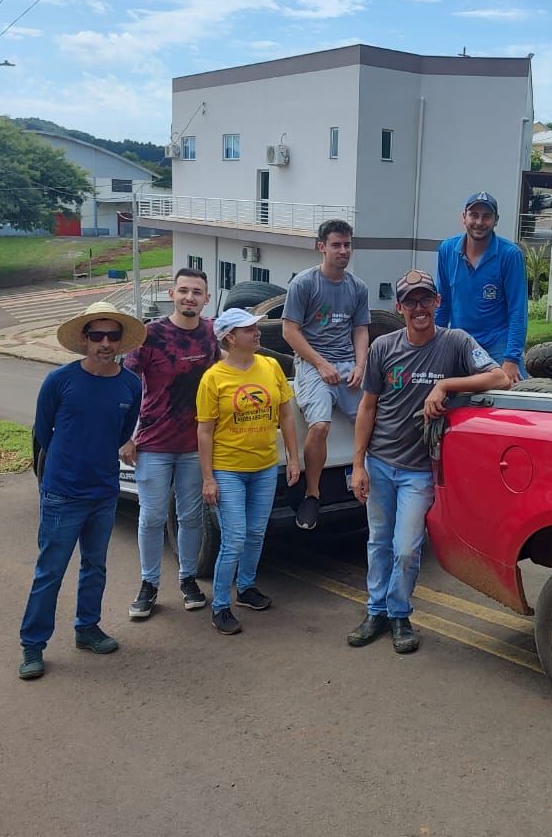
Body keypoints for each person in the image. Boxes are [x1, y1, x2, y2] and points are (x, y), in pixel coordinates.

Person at [347, 270, 509, 654]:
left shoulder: (455, 342)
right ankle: (376, 612)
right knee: (378, 543)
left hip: (419, 469)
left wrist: (445, 385)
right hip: (381, 462)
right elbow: (367, 407)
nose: (419, 308)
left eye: (426, 300)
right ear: (399, 307)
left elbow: (500, 377)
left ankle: (400, 614)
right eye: (411, 301)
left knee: (406, 547)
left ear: (438, 303)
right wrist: (358, 465)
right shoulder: (383, 348)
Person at [18, 301, 145, 680]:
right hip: (63, 492)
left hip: (104, 491)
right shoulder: (60, 381)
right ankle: (32, 645)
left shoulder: (130, 384)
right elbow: (43, 432)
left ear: (121, 341)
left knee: (96, 566)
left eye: (112, 335)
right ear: (85, 340)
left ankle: (87, 628)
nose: (105, 343)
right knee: (50, 571)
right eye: (97, 336)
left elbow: (123, 432)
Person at [121, 268, 219, 620]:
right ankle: (148, 585)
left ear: (206, 298)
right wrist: (126, 437)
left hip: (196, 445)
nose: (189, 297)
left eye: (197, 292)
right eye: (183, 291)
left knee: (192, 517)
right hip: (153, 443)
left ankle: (188, 578)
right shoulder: (150, 335)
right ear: (171, 293)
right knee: (152, 516)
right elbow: (126, 387)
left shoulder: (212, 333)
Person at [197, 308, 301, 636]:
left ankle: (246, 588)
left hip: (265, 466)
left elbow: (286, 416)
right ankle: (220, 607)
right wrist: (208, 478)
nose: (258, 334)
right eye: (249, 330)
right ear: (230, 337)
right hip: (228, 469)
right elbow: (204, 431)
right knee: (234, 538)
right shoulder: (213, 378)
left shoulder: (269, 366)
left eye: (256, 328)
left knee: (257, 532)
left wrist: (294, 459)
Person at [281, 219, 370, 531]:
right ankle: (312, 495)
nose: (343, 250)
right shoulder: (304, 284)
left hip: (347, 365)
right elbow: (289, 331)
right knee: (319, 426)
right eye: (336, 244)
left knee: (372, 419)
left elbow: (360, 329)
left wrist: (361, 366)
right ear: (322, 247)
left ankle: (366, 479)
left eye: (347, 244)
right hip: (312, 365)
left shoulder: (358, 287)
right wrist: (320, 364)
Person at [435, 191, 528, 384]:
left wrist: (511, 359)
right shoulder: (447, 250)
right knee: (443, 395)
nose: (479, 222)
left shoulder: (510, 255)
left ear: (496, 220)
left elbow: (518, 310)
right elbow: (442, 304)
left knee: (514, 397)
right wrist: (433, 347)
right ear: (464, 218)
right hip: (461, 343)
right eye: (474, 215)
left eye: (486, 216)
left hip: (498, 344)